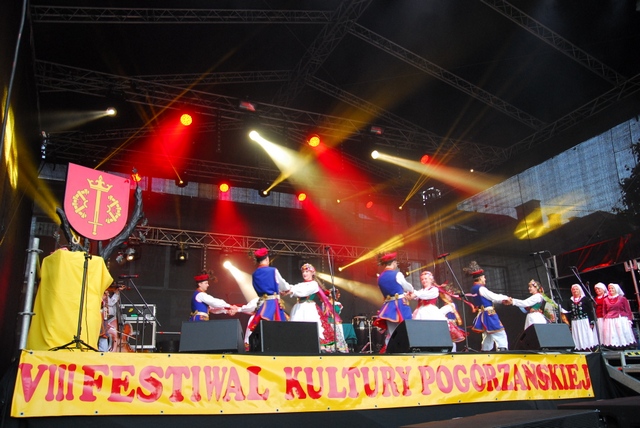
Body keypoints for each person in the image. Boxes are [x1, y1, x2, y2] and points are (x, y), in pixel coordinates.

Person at [464, 261, 511, 351]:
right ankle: (503, 351)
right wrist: (506, 298)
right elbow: (493, 296)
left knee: (488, 335)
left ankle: (485, 352)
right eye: (484, 277)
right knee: (500, 333)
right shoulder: (481, 288)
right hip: (489, 314)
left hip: (483, 314)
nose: (485, 279)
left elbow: (490, 299)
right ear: (480, 278)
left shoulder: (474, 288)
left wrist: (502, 300)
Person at [288, 263, 336, 352]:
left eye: (307, 271)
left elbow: (303, 292)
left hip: (308, 308)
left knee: (312, 326)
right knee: (297, 327)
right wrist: (286, 289)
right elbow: (293, 288)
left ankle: (318, 347)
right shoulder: (300, 284)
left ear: (312, 273)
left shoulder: (314, 284)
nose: (304, 273)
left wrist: (291, 290)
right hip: (298, 308)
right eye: (303, 272)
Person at [373, 252, 414, 350]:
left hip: (388, 307)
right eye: (396, 263)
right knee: (405, 329)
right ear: (393, 263)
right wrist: (411, 290)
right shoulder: (397, 274)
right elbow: (407, 287)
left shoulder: (380, 277)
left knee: (392, 332)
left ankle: (392, 350)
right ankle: (405, 350)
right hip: (399, 305)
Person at [247, 247, 292, 331]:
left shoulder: (254, 274)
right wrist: (288, 288)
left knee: (262, 329)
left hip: (262, 304)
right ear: (267, 259)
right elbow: (283, 285)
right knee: (277, 328)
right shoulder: (272, 270)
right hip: (273, 304)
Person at [561, 284, 598, 351]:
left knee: (585, 334)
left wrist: (591, 321)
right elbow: (569, 313)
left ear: (580, 290)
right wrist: (570, 324)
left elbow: (590, 311)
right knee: (577, 335)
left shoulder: (585, 299)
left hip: (584, 320)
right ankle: (579, 348)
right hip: (575, 322)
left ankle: (588, 347)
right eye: (573, 289)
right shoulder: (570, 301)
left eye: (576, 289)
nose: (575, 291)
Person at [602, 283, 636, 349]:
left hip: (620, 318)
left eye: (612, 288)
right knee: (613, 333)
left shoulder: (622, 299)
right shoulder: (605, 300)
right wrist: (605, 318)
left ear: (616, 289)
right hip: (610, 319)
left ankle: (625, 345)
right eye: (609, 288)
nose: (610, 290)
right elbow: (604, 311)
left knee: (622, 331)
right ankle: (614, 346)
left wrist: (629, 319)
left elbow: (628, 310)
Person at [98, 283, 123, 352]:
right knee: (103, 336)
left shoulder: (105, 301)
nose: (108, 294)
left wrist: (116, 292)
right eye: (106, 293)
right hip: (101, 320)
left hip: (107, 319)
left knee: (104, 336)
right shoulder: (100, 300)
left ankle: (103, 351)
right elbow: (111, 302)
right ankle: (102, 351)